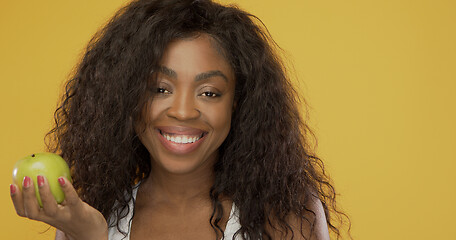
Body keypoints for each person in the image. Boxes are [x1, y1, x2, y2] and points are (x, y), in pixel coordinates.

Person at [10, 0, 349, 239]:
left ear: (239, 103)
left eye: (210, 92)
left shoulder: (286, 214)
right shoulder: (90, 219)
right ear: (124, 99)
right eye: (160, 88)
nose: (183, 111)